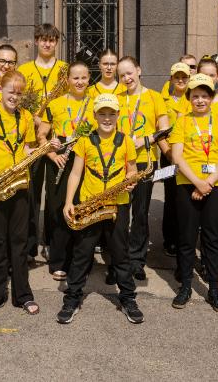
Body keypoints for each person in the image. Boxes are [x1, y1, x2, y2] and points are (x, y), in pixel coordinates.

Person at [0, 70, 59, 318]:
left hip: (20, 185)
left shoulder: (27, 116)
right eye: (11, 92)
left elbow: (27, 149)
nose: (15, 97)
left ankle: (23, 295)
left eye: (19, 94)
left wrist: (45, 147)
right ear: (0, 89)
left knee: (20, 242)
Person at [58, 93, 142, 324]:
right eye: (102, 113)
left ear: (118, 115)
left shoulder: (126, 141)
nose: (107, 118)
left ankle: (128, 298)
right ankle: (72, 297)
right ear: (95, 115)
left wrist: (132, 180)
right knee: (82, 254)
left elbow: (132, 170)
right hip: (90, 205)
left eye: (111, 114)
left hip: (118, 204)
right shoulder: (85, 141)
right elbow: (76, 173)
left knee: (120, 254)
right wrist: (69, 201)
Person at [169, 73, 218, 312]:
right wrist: (197, 182)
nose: (200, 100)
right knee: (186, 237)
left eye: (204, 96)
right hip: (187, 183)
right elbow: (177, 156)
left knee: (212, 237)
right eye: (195, 96)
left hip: (214, 185)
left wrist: (208, 182)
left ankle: (214, 289)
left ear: (211, 98)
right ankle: (185, 286)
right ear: (189, 98)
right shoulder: (182, 122)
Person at [38, 60, 96, 280]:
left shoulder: (96, 103)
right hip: (60, 159)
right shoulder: (55, 104)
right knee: (58, 209)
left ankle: (80, 262)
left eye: (83, 77)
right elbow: (41, 136)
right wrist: (53, 155)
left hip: (87, 159)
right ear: (68, 80)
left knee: (83, 208)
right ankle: (59, 261)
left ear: (89, 79)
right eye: (75, 77)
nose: (79, 81)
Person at [117, 56, 170, 281]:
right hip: (120, 163)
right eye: (122, 75)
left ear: (138, 70)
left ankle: (137, 261)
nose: (126, 78)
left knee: (140, 212)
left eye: (129, 73)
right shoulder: (116, 98)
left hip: (145, 161)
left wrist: (144, 140)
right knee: (119, 213)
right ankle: (119, 261)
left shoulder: (154, 97)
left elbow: (165, 130)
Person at [18, 23, 69, 260]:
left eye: (52, 40)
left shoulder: (65, 70)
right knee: (31, 192)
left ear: (56, 42)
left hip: (58, 139)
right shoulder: (25, 70)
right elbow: (18, 102)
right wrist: (34, 118)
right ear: (36, 41)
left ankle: (50, 243)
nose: (47, 43)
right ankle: (30, 245)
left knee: (55, 194)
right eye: (43, 39)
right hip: (32, 138)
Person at [160, 62, 192, 257]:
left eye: (184, 77)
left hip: (191, 156)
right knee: (171, 197)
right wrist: (168, 153)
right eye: (177, 77)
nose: (180, 80)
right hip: (169, 156)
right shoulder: (164, 101)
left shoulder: (194, 99)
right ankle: (170, 240)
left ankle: (185, 239)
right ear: (171, 79)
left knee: (186, 198)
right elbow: (159, 131)